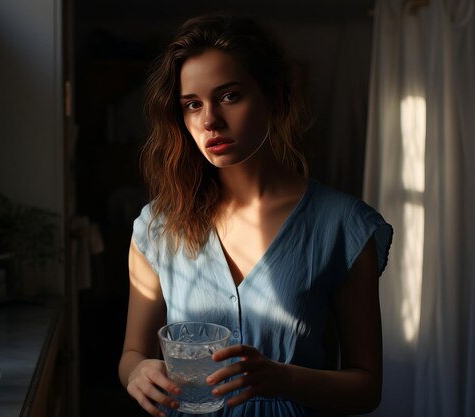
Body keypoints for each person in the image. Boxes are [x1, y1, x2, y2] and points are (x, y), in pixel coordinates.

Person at [118, 12, 393, 417]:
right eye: (192, 104)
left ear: (274, 97)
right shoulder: (157, 228)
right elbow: (132, 352)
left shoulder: (343, 226)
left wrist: (282, 378)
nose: (210, 119)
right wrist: (137, 371)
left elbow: (367, 388)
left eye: (229, 96)